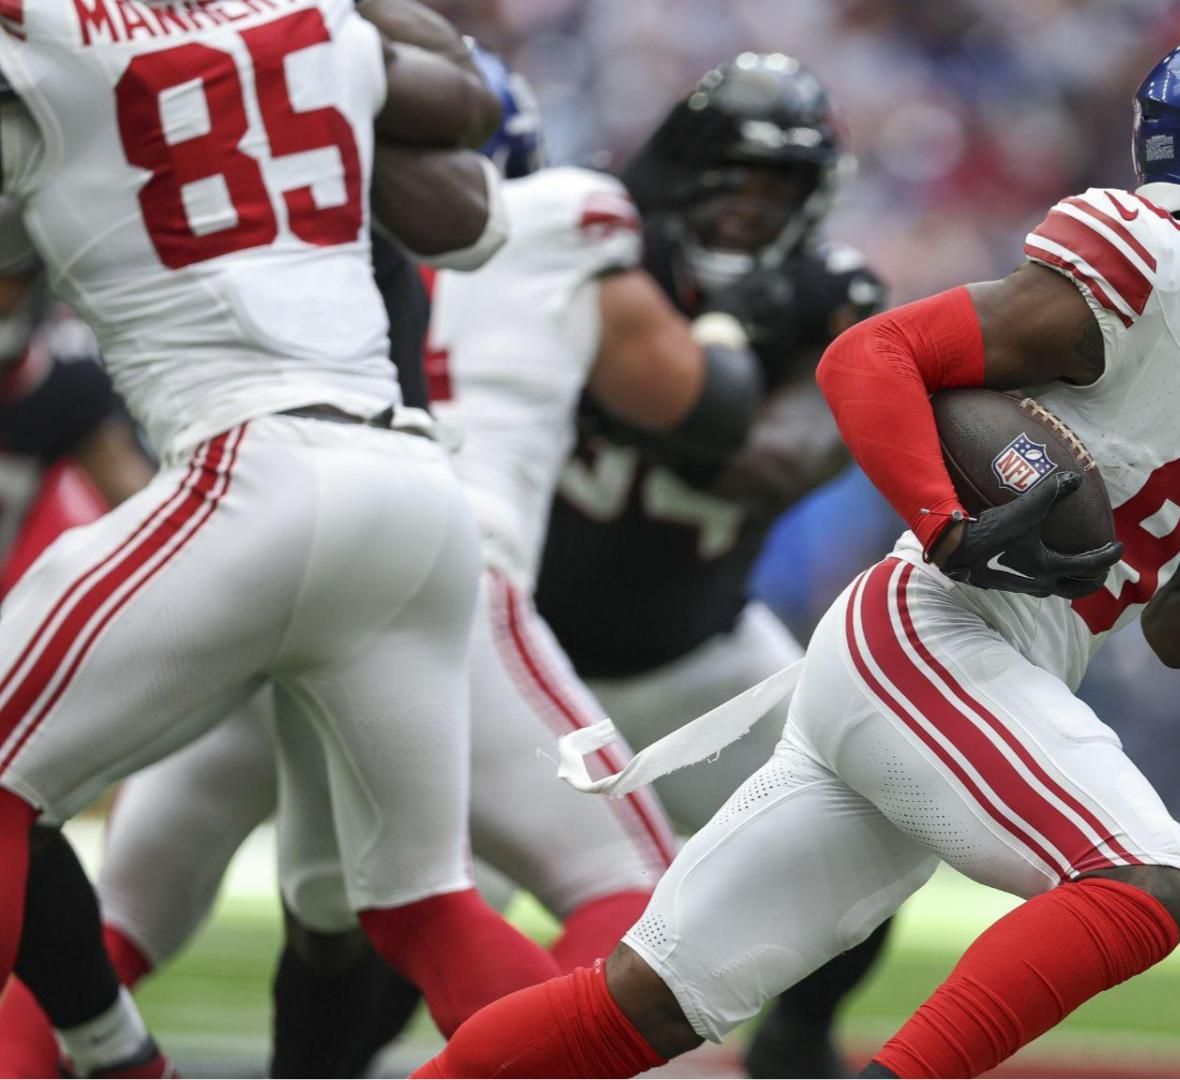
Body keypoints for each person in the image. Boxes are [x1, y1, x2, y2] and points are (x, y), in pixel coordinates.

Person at [417, 19, 1180, 1079]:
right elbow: (870, 357)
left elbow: (1179, 622)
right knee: (1143, 879)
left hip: (982, 667)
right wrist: (948, 522)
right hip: (932, 631)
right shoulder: (1148, 255)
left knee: (637, 1011)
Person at [34, 44, 764, 1078]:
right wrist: (737, 326)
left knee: (143, 910)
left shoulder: (254, 210)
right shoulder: (560, 220)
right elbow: (701, 405)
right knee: (611, 895)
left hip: (225, 541)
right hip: (422, 572)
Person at [0, 1, 564, 1074]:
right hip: (408, 484)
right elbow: (473, 208)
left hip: (245, 467)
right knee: (423, 906)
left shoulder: (49, 32)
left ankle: (117, 1056)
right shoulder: (323, 20)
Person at [533, 53, 890, 1076]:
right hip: (531, 667)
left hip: (701, 659)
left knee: (862, 819)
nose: (751, 209)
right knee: (413, 901)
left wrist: (646, 392)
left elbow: (778, 463)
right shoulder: (595, 260)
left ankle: (798, 1042)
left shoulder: (830, 292)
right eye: (732, 178)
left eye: (779, 187)